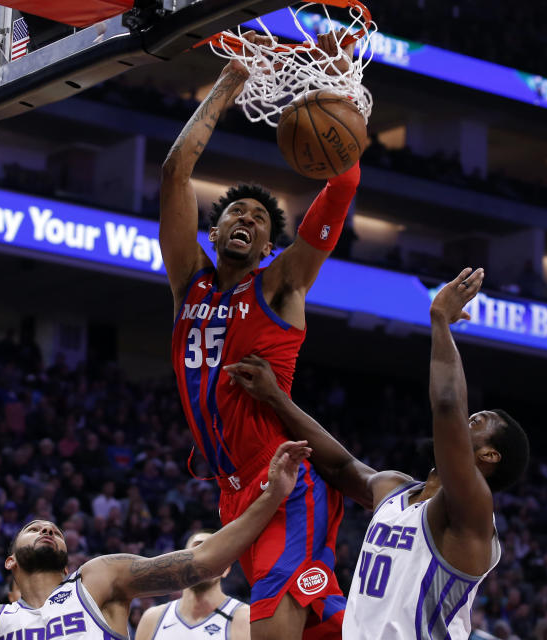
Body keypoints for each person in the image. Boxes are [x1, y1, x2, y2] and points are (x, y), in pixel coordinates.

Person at [161, 30, 360, 640]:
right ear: (213, 233)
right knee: (315, 630)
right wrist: (233, 78)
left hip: (285, 480)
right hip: (232, 492)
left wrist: (331, 83)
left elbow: (344, 185)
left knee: (272, 628)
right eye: (233, 215)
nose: (244, 219)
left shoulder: (280, 287)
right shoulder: (187, 284)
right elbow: (176, 171)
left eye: (257, 220)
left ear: (270, 247)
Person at [224, 267, 530, 640]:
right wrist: (275, 397)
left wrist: (440, 323)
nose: (467, 419)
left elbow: (448, 405)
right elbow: (339, 465)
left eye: (478, 421)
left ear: (490, 456)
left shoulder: (471, 511)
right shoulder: (395, 488)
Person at [0, 441, 310, 640]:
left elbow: (201, 563)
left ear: (68, 564)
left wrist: (271, 495)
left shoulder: (96, 579)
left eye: (54, 528)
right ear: (10, 561)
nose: (47, 529)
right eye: (34, 528)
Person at [135, 531, 250, 640]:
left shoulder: (245, 618)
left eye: (212, 552)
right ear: (181, 563)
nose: (203, 559)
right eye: (196, 550)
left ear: (226, 568)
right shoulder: (152, 619)